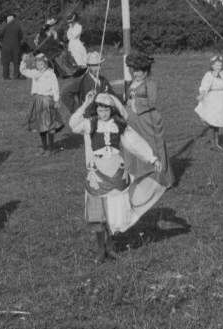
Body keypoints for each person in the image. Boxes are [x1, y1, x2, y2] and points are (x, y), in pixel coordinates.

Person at [69, 91, 165, 263]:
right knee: (98, 213)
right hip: (98, 173)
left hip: (116, 171)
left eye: (106, 110)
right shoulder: (91, 124)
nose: (103, 113)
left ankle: (111, 246)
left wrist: (152, 158)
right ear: (96, 110)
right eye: (100, 110)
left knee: (114, 212)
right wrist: (85, 104)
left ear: (112, 110)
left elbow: (135, 143)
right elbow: (72, 124)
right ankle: (100, 249)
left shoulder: (119, 126)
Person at [122, 52, 173, 188]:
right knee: (136, 146)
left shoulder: (151, 83)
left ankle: (161, 180)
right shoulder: (133, 82)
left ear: (146, 71)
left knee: (153, 147)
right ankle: (142, 176)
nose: (136, 74)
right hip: (133, 121)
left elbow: (151, 102)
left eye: (139, 71)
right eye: (134, 71)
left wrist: (134, 103)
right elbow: (128, 98)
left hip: (147, 120)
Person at [194, 51, 223, 150]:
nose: (218, 66)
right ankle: (214, 143)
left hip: (222, 99)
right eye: (216, 65)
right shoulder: (209, 75)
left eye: (220, 64)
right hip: (213, 99)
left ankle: (216, 143)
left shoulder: (222, 74)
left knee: (217, 122)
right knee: (212, 121)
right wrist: (202, 94)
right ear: (212, 65)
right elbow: (205, 86)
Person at [20, 52, 63, 155]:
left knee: (49, 125)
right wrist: (24, 61)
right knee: (40, 125)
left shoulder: (50, 74)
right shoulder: (34, 73)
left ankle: (51, 148)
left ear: (45, 63)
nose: (40, 65)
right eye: (38, 63)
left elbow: (55, 87)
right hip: (37, 100)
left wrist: (56, 100)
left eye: (42, 63)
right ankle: (44, 147)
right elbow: (23, 71)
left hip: (47, 101)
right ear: (35, 64)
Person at [0, 14, 24, 80]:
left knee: (6, 62)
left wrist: (1, 41)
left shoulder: (4, 27)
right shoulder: (17, 26)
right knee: (16, 62)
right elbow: (21, 36)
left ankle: (6, 76)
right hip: (16, 46)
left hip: (6, 47)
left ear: (7, 21)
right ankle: (16, 76)